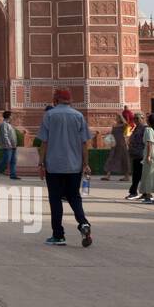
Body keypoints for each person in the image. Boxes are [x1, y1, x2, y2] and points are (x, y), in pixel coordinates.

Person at [36, 89, 93, 247]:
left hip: (54, 166)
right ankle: (83, 224)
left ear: (56, 100)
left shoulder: (49, 115)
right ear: (70, 100)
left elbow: (44, 143)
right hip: (74, 166)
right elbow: (84, 144)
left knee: (55, 200)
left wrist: (41, 163)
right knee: (74, 197)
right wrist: (85, 163)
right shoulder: (78, 116)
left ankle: (58, 235)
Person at [102, 112, 130, 183]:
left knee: (124, 159)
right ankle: (108, 175)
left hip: (121, 143)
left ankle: (126, 176)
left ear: (120, 119)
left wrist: (121, 115)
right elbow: (112, 134)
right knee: (111, 157)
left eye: (117, 117)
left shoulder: (122, 125)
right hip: (114, 144)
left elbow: (126, 123)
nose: (116, 118)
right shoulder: (114, 125)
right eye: (116, 117)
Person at [0, 110, 20, 180]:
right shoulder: (4, 124)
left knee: (13, 160)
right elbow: (4, 135)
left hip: (13, 145)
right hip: (8, 146)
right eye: (11, 116)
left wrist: (14, 144)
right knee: (6, 160)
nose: (12, 117)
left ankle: (13, 175)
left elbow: (12, 135)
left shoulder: (9, 124)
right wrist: (9, 144)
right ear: (9, 116)